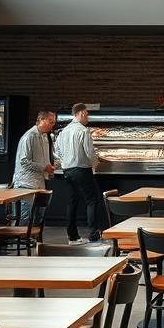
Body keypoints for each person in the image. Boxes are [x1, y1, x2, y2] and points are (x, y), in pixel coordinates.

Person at [56, 102, 103, 245]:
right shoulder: (83, 130)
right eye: (87, 114)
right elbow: (89, 152)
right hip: (82, 169)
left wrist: (65, 161)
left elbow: (56, 151)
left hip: (67, 170)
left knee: (72, 202)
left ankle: (73, 237)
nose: (88, 117)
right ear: (81, 113)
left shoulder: (64, 131)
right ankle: (94, 235)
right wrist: (96, 163)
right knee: (92, 200)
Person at [13, 110, 56, 224]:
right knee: (26, 218)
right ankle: (24, 240)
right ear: (41, 120)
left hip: (39, 183)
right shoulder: (29, 136)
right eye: (50, 122)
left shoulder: (45, 137)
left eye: (53, 122)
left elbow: (45, 159)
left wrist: (49, 170)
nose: (53, 125)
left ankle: (34, 241)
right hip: (26, 184)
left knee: (38, 218)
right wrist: (44, 167)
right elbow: (24, 161)